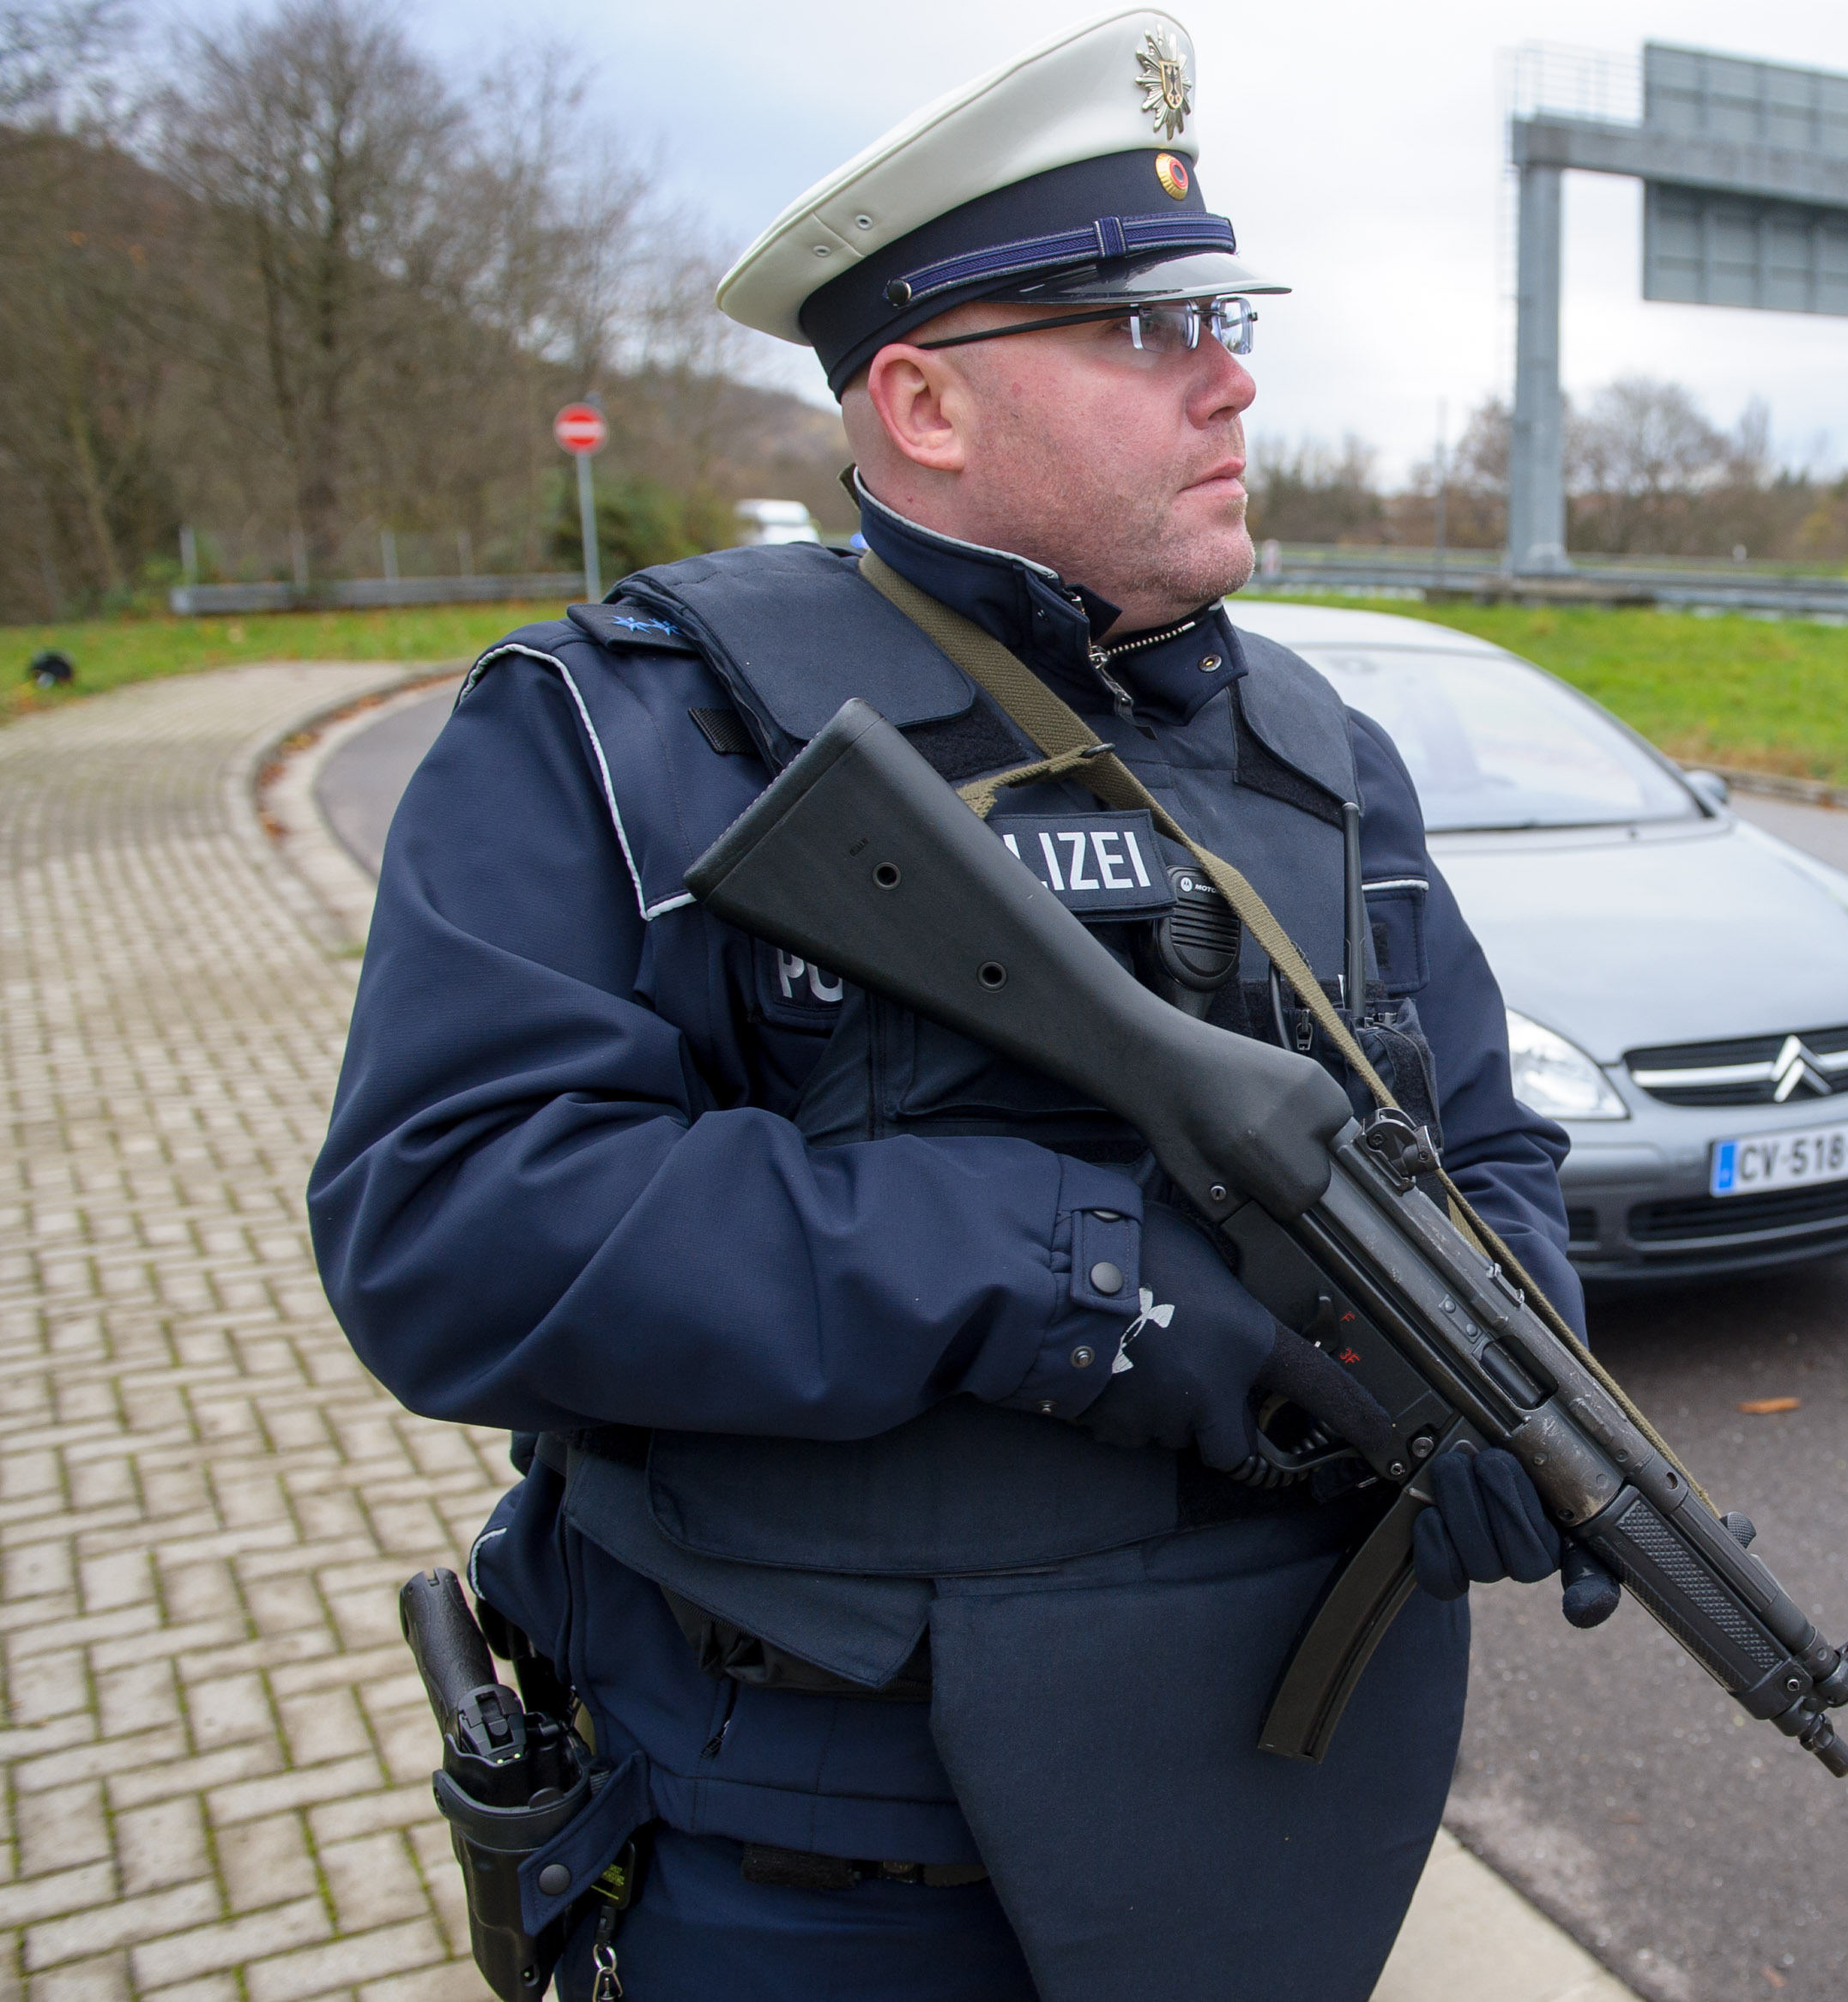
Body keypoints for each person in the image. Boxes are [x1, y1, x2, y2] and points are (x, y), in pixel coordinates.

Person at [307, 15, 1585, 1999]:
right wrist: (1070, 1272)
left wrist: (1515, 1365)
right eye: (1145, 333)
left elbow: (1484, 1133)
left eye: (1225, 316)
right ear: (921, 403)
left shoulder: (1328, 760)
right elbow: (450, 1228)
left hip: (1274, 1824)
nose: (1233, 375)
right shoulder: (627, 727)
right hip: (828, 1862)